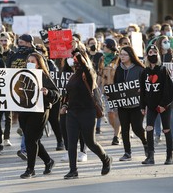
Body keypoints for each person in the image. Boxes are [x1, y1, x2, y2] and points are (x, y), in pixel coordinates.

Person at [61, 51, 112, 179]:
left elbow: (85, 67)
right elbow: (68, 95)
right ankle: (73, 170)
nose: (76, 63)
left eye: (78, 61)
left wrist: (78, 54)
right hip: (72, 113)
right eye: (74, 61)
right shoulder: (72, 76)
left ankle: (105, 159)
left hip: (87, 112)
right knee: (71, 143)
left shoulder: (89, 74)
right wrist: (64, 105)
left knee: (90, 142)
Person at [19, 52, 59, 179]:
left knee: (31, 139)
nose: (30, 63)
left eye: (33, 61)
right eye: (28, 61)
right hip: (24, 111)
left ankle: (30, 169)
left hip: (39, 111)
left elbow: (57, 95)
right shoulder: (21, 75)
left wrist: (47, 92)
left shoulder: (43, 76)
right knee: (32, 139)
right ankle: (48, 161)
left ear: (39, 63)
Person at [140, 45, 173, 165]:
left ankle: (169, 156)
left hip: (164, 106)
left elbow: (169, 90)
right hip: (151, 106)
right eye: (150, 52)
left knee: (166, 129)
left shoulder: (163, 70)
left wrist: (163, 105)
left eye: (154, 52)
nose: (152, 54)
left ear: (158, 54)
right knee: (149, 128)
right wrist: (142, 106)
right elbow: (143, 90)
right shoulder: (144, 72)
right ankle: (150, 156)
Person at [114, 46, 148, 161]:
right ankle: (127, 152)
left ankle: (145, 143)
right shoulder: (119, 69)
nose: (122, 57)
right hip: (123, 104)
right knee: (124, 129)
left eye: (124, 54)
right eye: (121, 54)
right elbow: (115, 86)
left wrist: (141, 91)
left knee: (137, 127)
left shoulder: (139, 69)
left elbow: (146, 86)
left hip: (136, 104)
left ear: (131, 56)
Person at [97, 38, 121, 145]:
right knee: (110, 114)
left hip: (117, 90)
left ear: (110, 47)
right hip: (106, 90)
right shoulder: (102, 59)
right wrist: (97, 89)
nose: (103, 48)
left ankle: (116, 136)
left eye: (105, 46)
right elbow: (99, 74)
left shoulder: (118, 59)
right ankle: (119, 130)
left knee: (116, 113)